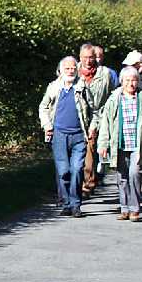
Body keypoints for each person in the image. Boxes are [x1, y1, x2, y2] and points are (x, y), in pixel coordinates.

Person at [98, 67, 142, 222]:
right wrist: (103, 144)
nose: (131, 83)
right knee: (122, 177)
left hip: (138, 144)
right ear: (122, 81)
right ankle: (124, 208)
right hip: (119, 144)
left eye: (134, 80)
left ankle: (134, 209)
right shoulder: (114, 99)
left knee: (135, 174)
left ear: (138, 81)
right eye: (127, 80)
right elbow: (105, 123)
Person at [39, 56, 93, 218]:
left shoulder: (82, 87)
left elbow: (93, 109)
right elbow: (43, 107)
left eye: (73, 68)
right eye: (67, 68)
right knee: (63, 171)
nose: (70, 71)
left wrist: (92, 127)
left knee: (77, 169)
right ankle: (66, 203)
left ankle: (75, 205)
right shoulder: (54, 87)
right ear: (61, 70)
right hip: (59, 135)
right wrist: (47, 125)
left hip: (79, 135)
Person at [78, 43, 115, 196]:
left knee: (90, 147)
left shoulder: (105, 74)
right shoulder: (74, 72)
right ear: (80, 57)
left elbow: (111, 95)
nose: (88, 61)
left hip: (98, 116)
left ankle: (88, 184)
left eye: (91, 57)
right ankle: (79, 181)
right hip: (78, 117)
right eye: (85, 57)